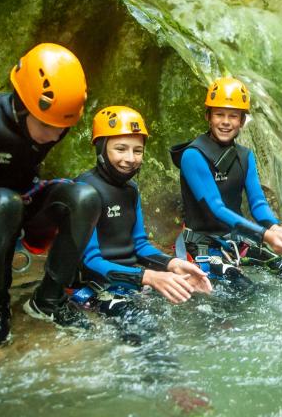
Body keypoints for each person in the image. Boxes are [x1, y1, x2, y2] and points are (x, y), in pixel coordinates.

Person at [0, 43, 101, 346]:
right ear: (23, 104)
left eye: (62, 127)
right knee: (4, 202)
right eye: (46, 126)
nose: (55, 136)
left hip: (18, 202)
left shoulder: (53, 121)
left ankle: (48, 301)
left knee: (85, 197)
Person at [72, 106, 212, 339]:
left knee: (208, 307)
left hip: (130, 281)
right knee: (149, 335)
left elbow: (139, 245)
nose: (130, 159)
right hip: (97, 286)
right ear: (101, 147)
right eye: (120, 149)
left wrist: (172, 264)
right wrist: (148, 277)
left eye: (138, 150)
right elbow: (90, 262)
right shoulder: (84, 191)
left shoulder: (131, 190)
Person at [170, 77, 282, 283]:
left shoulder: (245, 156)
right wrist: (264, 236)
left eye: (233, 116)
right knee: (242, 287)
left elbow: (257, 202)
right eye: (219, 114)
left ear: (242, 121)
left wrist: (275, 227)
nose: (226, 122)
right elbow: (215, 208)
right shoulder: (193, 155)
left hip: (234, 239)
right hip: (201, 241)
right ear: (208, 117)